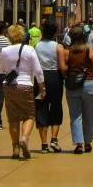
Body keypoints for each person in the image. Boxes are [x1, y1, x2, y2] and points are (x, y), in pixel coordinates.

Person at [0, 24, 45, 160]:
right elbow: (38, 71)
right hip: (26, 85)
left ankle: (15, 148)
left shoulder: (4, 51)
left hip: (10, 86)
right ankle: (24, 138)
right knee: (29, 115)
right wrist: (42, 87)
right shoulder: (29, 50)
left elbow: (1, 70)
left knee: (13, 117)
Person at [60, 26, 93, 154]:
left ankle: (79, 144)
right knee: (88, 115)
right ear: (83, 37)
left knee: (75, 116)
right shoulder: (90, 51)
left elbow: (64, 70)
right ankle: (88, 143)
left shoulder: (67, 52)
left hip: (73, 86)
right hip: (89, 84)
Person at [35, 22, 65, 153]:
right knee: (56, 106)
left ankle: (43, 144)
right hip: (55, 76)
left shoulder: (36, 46)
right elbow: (62, 67)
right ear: (55, 33)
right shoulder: (58, 47)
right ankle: (54, 139)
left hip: (40, 77)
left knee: (41, 108)